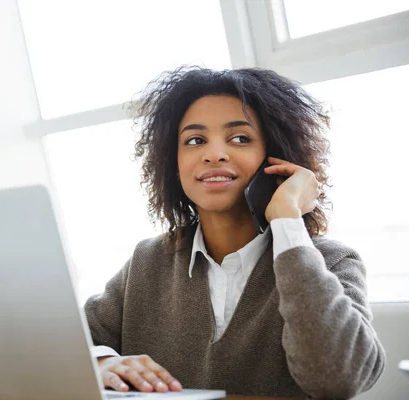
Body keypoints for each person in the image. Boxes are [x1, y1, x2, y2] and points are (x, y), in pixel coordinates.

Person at [84, 67, 385, 399]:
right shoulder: (147, 261)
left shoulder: (332, 261)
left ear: (278, 157)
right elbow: (68, 341)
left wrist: (287, 219)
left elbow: (338, 380)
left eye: (240, 138)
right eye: (195, 140)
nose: (214, 154)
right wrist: (100, 363)